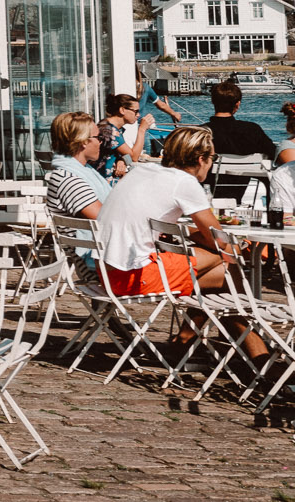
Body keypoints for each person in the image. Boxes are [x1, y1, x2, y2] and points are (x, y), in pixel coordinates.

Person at [93, 124, 269, 362]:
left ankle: (191, 342)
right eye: (213, 157)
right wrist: (239, 248)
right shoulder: (184, 182)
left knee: (223, 275)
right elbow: (218, 240)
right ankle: (255, 353)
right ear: (201, 159)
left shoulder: (142, 171)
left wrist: (215, 243)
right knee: (229, 264)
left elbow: (194, 231)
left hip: (108, 272)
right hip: (132, 276)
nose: (212, 163)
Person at [44, 111, 111, 221]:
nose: (100, 142)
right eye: (98, 137)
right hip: (94, 233)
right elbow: (107, 219)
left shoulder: (78, 172)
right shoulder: (69, 179)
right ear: (83, 141)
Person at [97, 92, 155, 179]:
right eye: (135, 111)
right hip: (104, 179)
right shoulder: (109, 130)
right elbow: (134, 157)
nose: (138, 115)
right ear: (122, 110)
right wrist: (142, 130)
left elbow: (118, 153)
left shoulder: (109, 126)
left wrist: (121, 160)